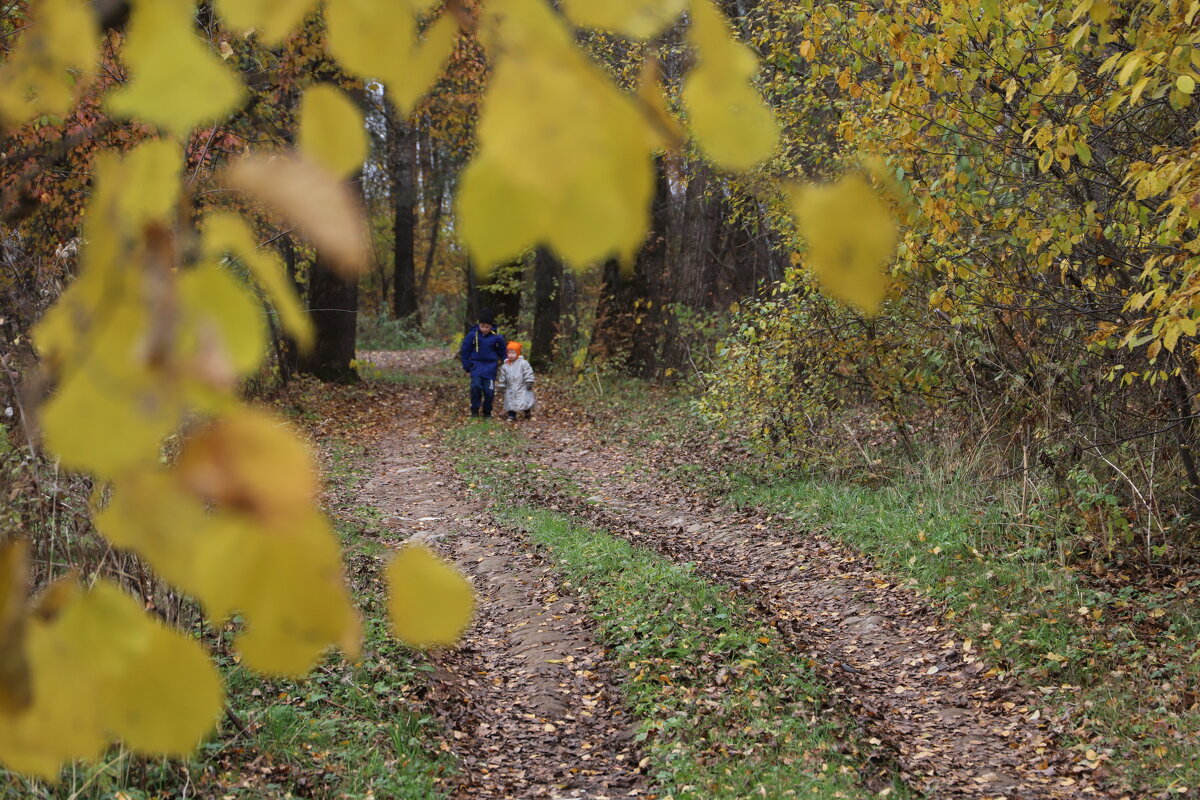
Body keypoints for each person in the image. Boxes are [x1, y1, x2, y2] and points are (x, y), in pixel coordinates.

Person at [458, 309, 507, 418]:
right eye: (482, 326)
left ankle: (487, 411)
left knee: (489, 391)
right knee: (475, 387)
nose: (484, 329)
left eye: (487, 327)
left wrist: (506, 360)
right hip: (476, 366)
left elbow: (503, 351)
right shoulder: (472, 335)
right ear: (479, 325)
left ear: (491, 326)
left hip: (490, 367)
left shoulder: (497, 337)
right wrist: (467, 365)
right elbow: (465, 350)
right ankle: (475, 410)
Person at [496, 341, 535, 421]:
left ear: (518, 353)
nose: (511, 355)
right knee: (510, 400)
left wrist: (529, 381)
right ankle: (511, 415)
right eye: (509, 353)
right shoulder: (505, 366)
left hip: (522, 386)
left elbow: (528, 372)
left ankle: (527, 412)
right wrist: (502, 385)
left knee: (524, 400)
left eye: (513, 353)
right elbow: (502, 376)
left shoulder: (523, 363)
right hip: (510, 386)